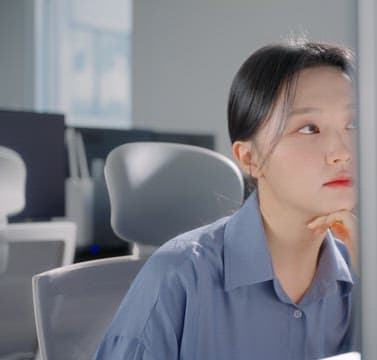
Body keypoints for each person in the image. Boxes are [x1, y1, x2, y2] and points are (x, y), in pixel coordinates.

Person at [94, 39, 359, 360]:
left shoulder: (365, 275)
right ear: (250, 159)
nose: (343, 152)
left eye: (352, 125)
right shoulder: (178, 276)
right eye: (308, 129)